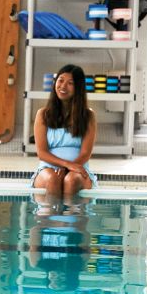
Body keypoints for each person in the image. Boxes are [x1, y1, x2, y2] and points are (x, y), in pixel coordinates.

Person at [32, 64, 97, 199]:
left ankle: (70, 218)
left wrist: (71, 169)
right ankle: (50, 220)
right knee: (53, 179)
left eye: (70, 83)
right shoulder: (43, 114)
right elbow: (42, 153)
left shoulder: (88, 116)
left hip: (78, 169)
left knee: (71, 181)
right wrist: (66, 165)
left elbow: (86, 153)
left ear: (78, 88)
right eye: (60, 80)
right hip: (47, 168)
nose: (63, 86)